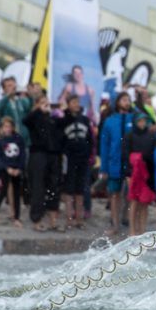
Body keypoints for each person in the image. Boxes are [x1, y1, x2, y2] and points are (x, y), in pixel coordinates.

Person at [24, 94, 63, 231]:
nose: (46, 105)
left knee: (54, 187)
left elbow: (61, 130)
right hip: (38, 154)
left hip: (53, 155)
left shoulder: (53, 119)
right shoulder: (34, 117)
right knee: (38, 188)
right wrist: (38, 110)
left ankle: (53, 220)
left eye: (47, 102)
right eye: (42, 102)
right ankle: (37, 220)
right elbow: (26, 121)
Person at [99, 92, 135, 234]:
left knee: (131, 194)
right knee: (114, 194)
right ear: (118, 102)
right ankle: (115, 224)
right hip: (114, 162)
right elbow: (104, 145)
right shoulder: (110, 121)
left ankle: (128, 220)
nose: (127, 102)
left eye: (129, 100)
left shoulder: (135, 118)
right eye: (124, 100)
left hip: (131, 164)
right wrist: (103, 167)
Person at [59, 93, 94, 229]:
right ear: (68, 104)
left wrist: (89, 153)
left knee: (80, 188)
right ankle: (69, 218)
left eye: (77, 102)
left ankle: (79, 219)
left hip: (83, 158)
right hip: (69, 158)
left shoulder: (85, 119)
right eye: (73, 102)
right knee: (69, 188)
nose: (76, 104)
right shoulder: (64, 120)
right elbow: (61, 140)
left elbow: (90, 138)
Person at [125, 112, 156, 237]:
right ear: (135, 122)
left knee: (145, 202)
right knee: (134, 202)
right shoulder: (129, 136)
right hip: (134, 173)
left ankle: (142, 230)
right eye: (140, 121)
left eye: (144, 121)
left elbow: (153, 155)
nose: (142, 123)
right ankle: (132, 230)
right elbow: (125, 155)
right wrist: (127, 174)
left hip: (147, 173)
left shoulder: (151, 136)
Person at [0, 116, 26, 227]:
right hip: (5, 169)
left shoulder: (19, 139)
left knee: (16, 194)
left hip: (16, 168)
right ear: (2, 128)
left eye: (9, 126)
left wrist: (19, 168)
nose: (8, 129)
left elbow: (22, 155)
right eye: (5, 126)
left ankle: (16, 217)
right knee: (3, 191)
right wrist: (7, 168)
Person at [0, 77, 32, 148]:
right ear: (4, 89)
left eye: (13, 85)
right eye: (9, 86)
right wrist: (8, 95)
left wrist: (30, 93)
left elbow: (30, 106)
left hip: (23, 140)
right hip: (8, 140)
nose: (13, 87)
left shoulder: (21, 101)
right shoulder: (2, 102)